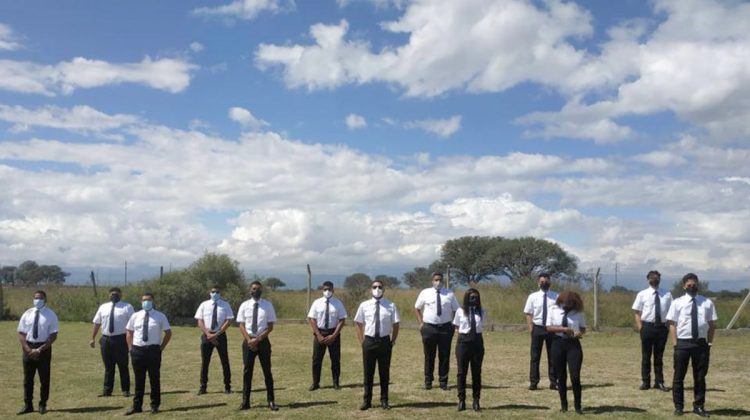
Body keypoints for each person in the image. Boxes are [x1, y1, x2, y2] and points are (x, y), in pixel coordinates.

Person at [666, 273, 717, 417]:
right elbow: (672, 324)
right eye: (689, 285)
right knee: (678, 377)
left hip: (701, 345)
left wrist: (709, 342)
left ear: (698, 285)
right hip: (683, 343)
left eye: (694, 284)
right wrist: (675, 343)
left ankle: (699, 406)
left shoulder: (707, 303)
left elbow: (712, 325)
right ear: (684, 286)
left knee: (700, 377)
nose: (692, 287)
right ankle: (679, 406)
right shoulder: (677, 303)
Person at [354, 279, 400, 410]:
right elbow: (358, 323)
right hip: (369, 341)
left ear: (384, 290)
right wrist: (361, 341)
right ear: (371, 289)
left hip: (385, 342)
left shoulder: (391, 305)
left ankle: (384, 400)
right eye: (374, 287)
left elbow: (396, 324)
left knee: (384, 372)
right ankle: (367, 400)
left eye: (380, 287)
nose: (377, 289)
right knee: (368, 373)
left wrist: (393, 340)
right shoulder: (364, 305)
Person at [125, 293, 172, 415]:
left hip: (153, 351)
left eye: (149, 300)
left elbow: (168, 333)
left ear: (153, 301)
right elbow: (129, 332)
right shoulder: (135, 316)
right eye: (144, 300)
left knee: (154, 378)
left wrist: (161, 347)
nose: (146, 302)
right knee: (139, 379)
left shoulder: (160, 316)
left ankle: (155, 405)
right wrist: (131, 348)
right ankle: (137, 406)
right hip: (137, 350)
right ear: (141, 302)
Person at [237, 281, 279, 411]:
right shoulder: (244, 305)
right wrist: (249, 340)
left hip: (263, 342)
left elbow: (270, 326)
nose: (256, 291)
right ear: (250, 290)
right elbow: (241, 325)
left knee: (267, 371)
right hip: (248, 341)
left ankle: (271, 401)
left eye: (259, 289)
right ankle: (245, 402)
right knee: (247, 372)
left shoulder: (267, 305)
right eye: (254, 289)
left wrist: (258, 339)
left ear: (262, 291)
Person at [414, 272, 459, 390]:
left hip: (445, 328)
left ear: (443, 281)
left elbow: (457, 310)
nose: (437, 282)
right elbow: (417, 308)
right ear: (432, 281)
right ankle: (428, 381)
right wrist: (421, 324)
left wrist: (454, 324)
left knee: (444, 356)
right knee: (429, 355)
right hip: (429, 328)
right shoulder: (425, 293)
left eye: (439, 280)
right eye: (435, 280)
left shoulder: (449, 293)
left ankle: (443, 382)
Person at [16, 290, 59, 415]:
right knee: (27, 379)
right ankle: (28, 405)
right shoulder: (27, 314)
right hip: (28, 348)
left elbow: (53, 335)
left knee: (44, 379)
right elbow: (21, 333)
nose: (37, 300)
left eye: (40, 298)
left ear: (45, 300)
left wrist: (40, 349)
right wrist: (27, 348)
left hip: (44, 349)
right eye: (35, 298)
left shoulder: (51, 315)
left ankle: (43, 404)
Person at [90, 287, 134, 398]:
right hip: (106, 340)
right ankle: (107, 391)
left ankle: (125, 390)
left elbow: (133, 325)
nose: (114, 296)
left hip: (121, 340)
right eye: (112, 294)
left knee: (123, 366)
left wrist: (132, 342)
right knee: (108, 367)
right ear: (109, 295)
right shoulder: (103, 307)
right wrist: (92, 338)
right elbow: (97, 323)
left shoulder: (127, 307)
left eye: (116, 294)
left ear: (121, 295)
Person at [632, 270, 672, 391]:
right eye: (652, 278)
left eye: (657, 277)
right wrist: (640, 327)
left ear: (660, 279)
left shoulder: (667, 294)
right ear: (648, 279)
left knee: (659, 356)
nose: (654, 279)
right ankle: (645, 381)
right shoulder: (642, 294)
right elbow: (637, 312)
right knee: (646, 356)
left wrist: (669, 327)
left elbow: (672, 312)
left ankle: (659, 382)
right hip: (647, 327)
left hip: (662, 328)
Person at [547, 290, 586, 414]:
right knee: (561, 376)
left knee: (575, 376)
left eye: (571, 304)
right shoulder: (553, 310)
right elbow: (548, 327)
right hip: (558, 343)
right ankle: (564, 405)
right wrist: (564, 329)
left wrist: (580, 332)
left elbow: (583, 328)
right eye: (566, 303)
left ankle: (578, 406)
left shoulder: (578, 313)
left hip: (573, 345)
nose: (568, 306)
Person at [307, 281, 347, 391]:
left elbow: (342, 320)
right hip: (319, 333)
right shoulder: (317, 303)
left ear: (333, 290)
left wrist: (334, 335)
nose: (327, 291)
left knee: (335, 359)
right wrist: (318, 334)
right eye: (325, 289)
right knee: (316, 359)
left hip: (333, 333)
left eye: (329, 289)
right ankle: (315, 383)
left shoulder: (338, 303)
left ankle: (336, 383)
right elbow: (312, 319)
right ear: (322, 290)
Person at [195, 285, 234, 395]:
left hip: (220, 335)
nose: (215, 293)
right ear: (209, 292)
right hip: (207, 335)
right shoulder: (204, 305)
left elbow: (229, 320)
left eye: (217, 291)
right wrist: (208, 334)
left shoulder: (225, 305)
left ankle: (227, 386)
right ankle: (203, 387)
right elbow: (199, 321)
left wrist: (217, 334)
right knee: (205, 362)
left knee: (224, 361)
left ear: (220, 293)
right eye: (213, 291)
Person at [523, 273, 558, 390]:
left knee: (553, 356)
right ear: (538, 283)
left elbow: (560, 313)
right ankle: (533, 382)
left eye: (546, 281)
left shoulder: (556, 296)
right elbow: (528, 313)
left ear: (550, 283)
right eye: (542, 281)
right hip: (537, 328)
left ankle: (554, 382)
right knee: (535, 357)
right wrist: (531, 329)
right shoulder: (532, 297)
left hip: (551, 329)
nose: (544, 283)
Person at [453, 288, 485, 412]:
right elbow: (456, 326)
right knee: (462, 372)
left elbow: (482, 326)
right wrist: (461, 337)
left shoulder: (481, 311)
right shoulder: (460, 311)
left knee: (476, 372)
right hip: (463, 342)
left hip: (477, 342)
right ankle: (462, 400)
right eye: (471, 297)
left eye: (476, 297)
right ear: (467, 298)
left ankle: (476, 400)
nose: (474, 299)